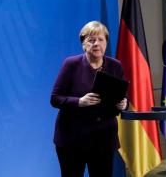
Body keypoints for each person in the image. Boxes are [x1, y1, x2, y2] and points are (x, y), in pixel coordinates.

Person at [51, 21, 127, 177]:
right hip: (72, 139)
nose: (96, 44)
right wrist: (80, 102)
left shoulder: (115, 66)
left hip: (103, 138)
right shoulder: (71, 64)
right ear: (83, 44)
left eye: (100, 40)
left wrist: (123, 104)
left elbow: (120, 94)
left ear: (106, 43)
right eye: (91, 40)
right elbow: (55, 98)